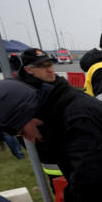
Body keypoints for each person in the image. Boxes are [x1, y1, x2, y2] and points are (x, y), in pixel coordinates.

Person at [16, 47, 64, 183]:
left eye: (50, 65)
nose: (49, 70)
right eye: (42, 67)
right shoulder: (25, 93)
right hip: (52, 157)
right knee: (62, 191)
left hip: (74, 151)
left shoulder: (58, 82)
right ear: (28, 70)